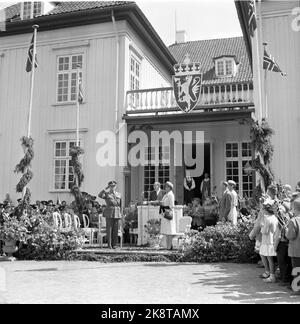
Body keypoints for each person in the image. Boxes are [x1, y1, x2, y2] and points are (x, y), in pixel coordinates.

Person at [259, 198, 279, 283]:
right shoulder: (274, 217)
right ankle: (270, 274)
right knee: (267, 257)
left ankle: (271, 276)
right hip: (271, 240)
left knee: (269, 259)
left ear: (266, 210)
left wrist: (261, 225)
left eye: (263, 209)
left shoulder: (267, 219)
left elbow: (264, 231)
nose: (262, 210)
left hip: (267, 241)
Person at [98, 181, 122, 249]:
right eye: (111, 186)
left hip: (117, 212)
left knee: (115, 230)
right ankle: (109, 245)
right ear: (109, 187)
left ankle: (114, 244)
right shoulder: (106, 193)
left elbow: (120, 204)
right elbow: (99, 195)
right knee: (109, 229)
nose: (112, 187)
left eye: (114, 186)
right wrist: (105, 189)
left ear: (116, 186)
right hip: (109, 212)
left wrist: (120, 213)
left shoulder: (119, 194)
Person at [286, 198, 300, 291]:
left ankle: (297, 289)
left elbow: (291, 236)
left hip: (296, 250)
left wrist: (286, 231)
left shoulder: (293, 221)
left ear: (295, 209)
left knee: (297, 269)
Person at [160, 181, 176, 250]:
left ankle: (169, 247)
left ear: (170, 188)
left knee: (169, 231)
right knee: (166, 231)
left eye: (166, 187)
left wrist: (165, 208)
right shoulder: (166, 195)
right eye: (165, 187)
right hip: (164, 213)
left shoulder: (171, 195)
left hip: (168, 213)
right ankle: (168, 246)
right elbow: (163, 202)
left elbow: (172, 205)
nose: (165, 188)